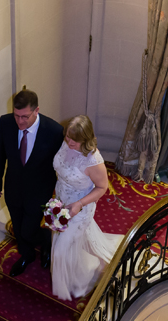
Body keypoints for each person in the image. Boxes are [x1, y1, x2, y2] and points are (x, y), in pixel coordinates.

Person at [0, 89, 64, 276]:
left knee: (27, 230)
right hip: (13, 188)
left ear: (36, 110)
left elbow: (61, 165)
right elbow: (0, 155)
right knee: (17, 226)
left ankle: (46, 238)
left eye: (25, 117)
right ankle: (27, 255)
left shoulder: (54, 131)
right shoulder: (6, 123)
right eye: (17, 116)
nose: (20, 121)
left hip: (40, 190)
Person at [50, 115, 122, 301]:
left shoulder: (93, 160)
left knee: (61, 249)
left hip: (80, 208)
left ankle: (81, 280)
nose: (69, 142)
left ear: (86, 138)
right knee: (70, 242)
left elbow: (102, 188)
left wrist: (79, 204)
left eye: (75, 139)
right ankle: (75, 271)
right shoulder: (67, 144)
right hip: (60, 201)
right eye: (68, 137)